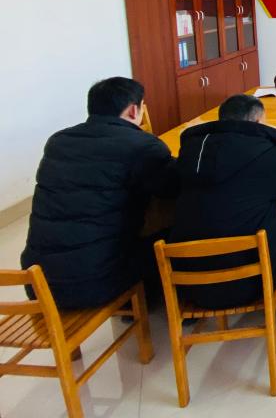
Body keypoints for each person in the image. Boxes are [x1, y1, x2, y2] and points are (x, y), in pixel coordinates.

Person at [21, 77, 177, 308]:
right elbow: (170, 189)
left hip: (37, 282)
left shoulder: (58, 141)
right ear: (134, 110)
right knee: (176, 231)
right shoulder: (142, 145)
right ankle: (155, 302)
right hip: (94, 281)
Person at [170, 94, 276, 309]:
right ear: (259, 122)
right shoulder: (268, 153)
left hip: (189, 281)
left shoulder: (191, 150)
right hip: (252, 281)